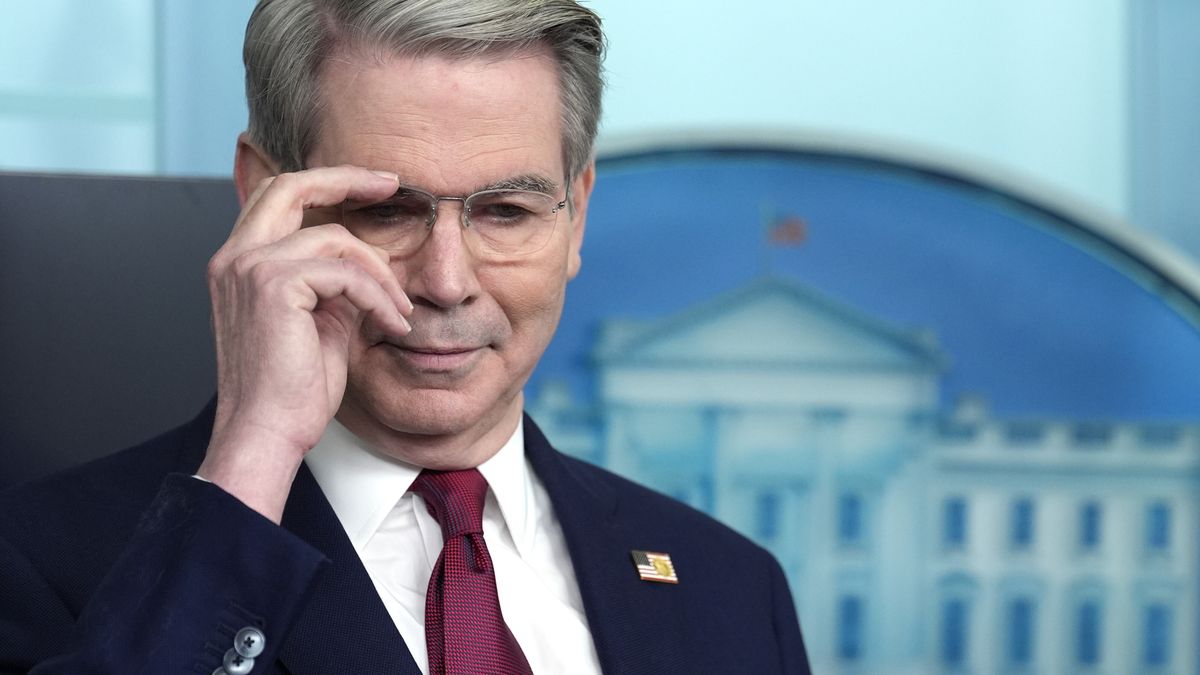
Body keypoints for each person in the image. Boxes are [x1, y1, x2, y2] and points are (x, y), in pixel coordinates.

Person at [0, 1, 811, 673]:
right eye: (384, 211)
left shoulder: (733, 590)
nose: (446, 279)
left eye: (506, 212)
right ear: (261, 202)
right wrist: (255, 455)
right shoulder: (40, 561)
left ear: (577, 214)